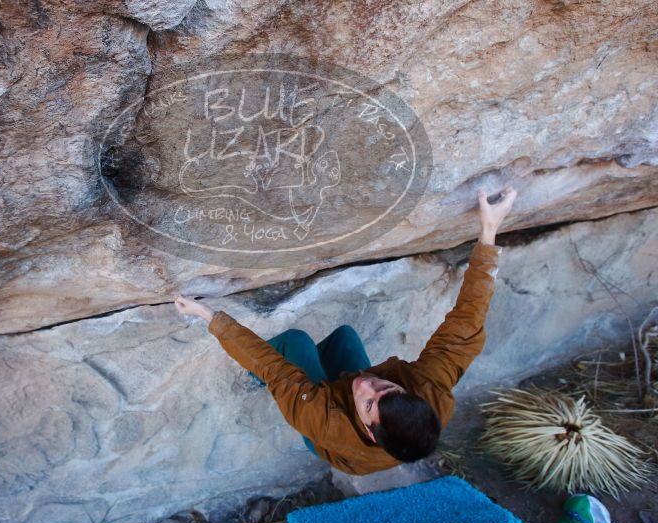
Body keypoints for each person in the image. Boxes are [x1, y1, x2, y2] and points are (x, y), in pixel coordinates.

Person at [174, 186, 518, 475]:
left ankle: (253, 382)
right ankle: (330, 379)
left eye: (368, 402)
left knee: (296, 343)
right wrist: (488, 235)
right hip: (365, 417)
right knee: (344, 338)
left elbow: (275, 369)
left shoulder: (324, 422)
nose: (366, 383)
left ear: (369, 431)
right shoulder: (429, 396)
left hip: (325, 435)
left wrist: (210, 316)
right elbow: (465, 325)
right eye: (385, 385)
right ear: (411, 393)